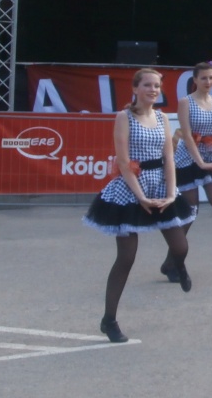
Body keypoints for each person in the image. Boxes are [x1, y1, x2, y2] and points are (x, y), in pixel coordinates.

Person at [83, 68, 195, 342]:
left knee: (180, 246)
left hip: (160, 185)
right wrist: (141, 197)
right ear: (135, 89)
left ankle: (175, 265)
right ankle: (109, 320)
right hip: (131, 189)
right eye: (147, 85)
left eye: (157, 85)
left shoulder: (162, 117)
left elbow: (169, 158)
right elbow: (123, 162)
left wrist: (171, 194)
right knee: (126, 257)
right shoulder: (124, 117)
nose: (153, 90)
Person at [164, 62, 212, 283]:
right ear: (195, 80)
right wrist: (200, 162)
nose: (208, 82)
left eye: (211, 78)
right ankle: (172, 263)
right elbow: (186, 135)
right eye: (204, 78)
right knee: (190, 212)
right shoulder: (186, 102)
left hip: (210, 154)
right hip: (188, 159)